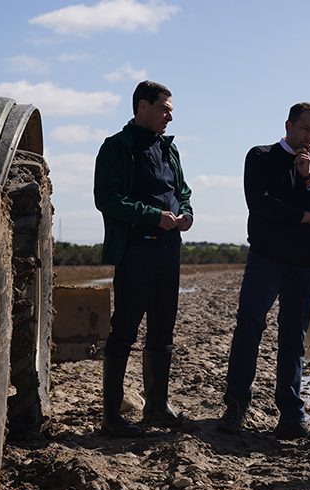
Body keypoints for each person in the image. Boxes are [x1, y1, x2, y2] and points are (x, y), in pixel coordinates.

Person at [217, 102, 310, 439]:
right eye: (305, 129)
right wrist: (304, 216)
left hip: (304, 265)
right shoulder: (260, 156)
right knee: (249, 325)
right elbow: (259, 204)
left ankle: (290, 415)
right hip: (266, 259)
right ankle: (236, 405)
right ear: (288, 126)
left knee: (293, 338)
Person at [93, 81, 193, 437]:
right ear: (142, 106)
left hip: (169, 250)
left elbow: (181, 191)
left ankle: (156, 408)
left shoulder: (169, 148)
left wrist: (186, 213)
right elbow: (107, 199)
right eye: (164, 109)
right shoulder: (116, 147)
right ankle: (112, 417)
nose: (169, 116)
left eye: (170, 110)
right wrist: (153, 216)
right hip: (136, 250)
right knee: (124, 331)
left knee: (163, 331)